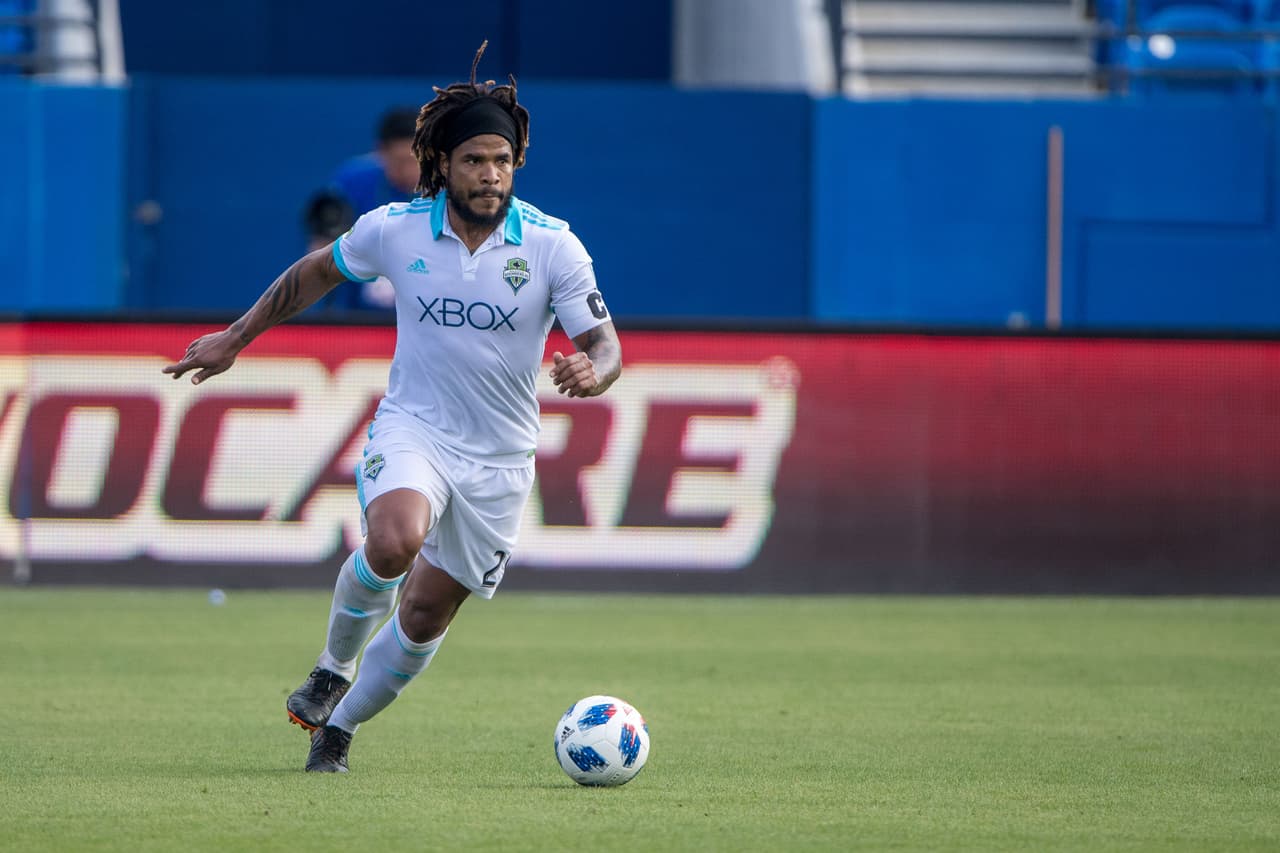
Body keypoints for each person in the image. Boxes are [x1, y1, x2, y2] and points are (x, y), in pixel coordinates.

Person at [162, 42, 622, 773]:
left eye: (502, 160)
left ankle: (336, 728)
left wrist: (594, 372)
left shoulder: (552, 245)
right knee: (395, 538)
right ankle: (330, 666)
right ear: (442, 161)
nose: (490, 174)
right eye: (475, 159)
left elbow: (606, 344)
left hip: (500, 461)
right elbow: (317, 271)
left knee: (424, 613)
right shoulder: (395, 228)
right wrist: (236, 337)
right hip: (415, 429)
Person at [312, 106, 420, 311]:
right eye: (400, 162)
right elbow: (320, 249)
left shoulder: (445, 188)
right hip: (358, 321)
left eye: (416, 161)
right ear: (381, 152)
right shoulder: (351, 181)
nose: (409, 172)